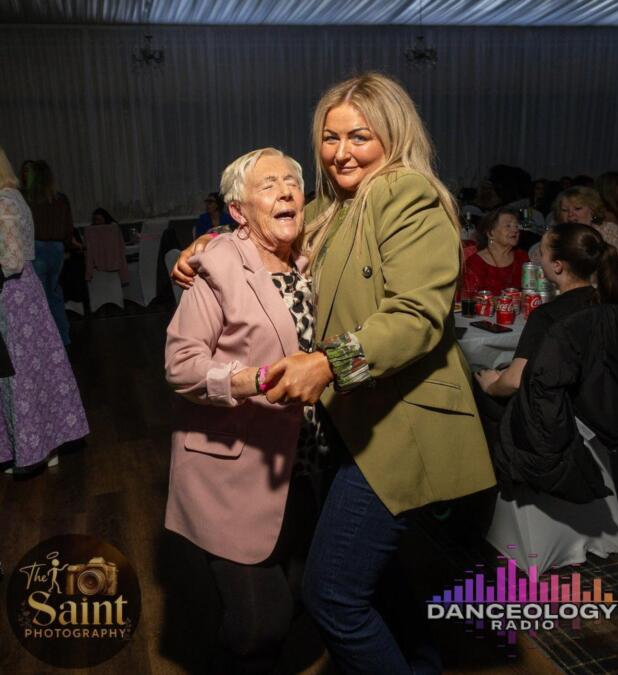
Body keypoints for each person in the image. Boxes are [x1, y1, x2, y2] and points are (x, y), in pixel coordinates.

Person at [172, 73, 497, 673]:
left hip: (401, 424)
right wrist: (208, 244)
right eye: (330, 138)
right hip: (356, 422)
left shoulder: (407, 194)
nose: (342, 152)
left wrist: (328, 363)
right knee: (383, 585)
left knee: (332, 596)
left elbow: (417, 316)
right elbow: (269, 224)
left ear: (392, 136)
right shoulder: (338, 206)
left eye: (359, 137)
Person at [165, 147, 323, 673]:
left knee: (304, 596)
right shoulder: (217, 265)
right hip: (235, 467)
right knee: (260, 624)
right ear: (238, 209)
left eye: (291, 182)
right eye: (267, 184)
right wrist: (253, 379)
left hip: (305, 461)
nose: (284, 191)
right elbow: (181, 365)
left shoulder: (310, 259)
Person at [475, 222, 618, 406]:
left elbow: (514, 381)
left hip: (567, 414)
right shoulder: (612, 301)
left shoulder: (547, 314)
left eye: (542, 254)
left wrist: (490, 386)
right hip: (612, 406)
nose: (539, 261)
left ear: (557, 266)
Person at [0, 147, 88, 470]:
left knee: (18, 372)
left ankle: (33, 448)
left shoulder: (5, 202)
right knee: (38, 366)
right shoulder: (17, 198)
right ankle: (46, 444)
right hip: (27, 287)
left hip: (12, 294)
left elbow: (10, 261)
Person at [23, 160, 73, 345]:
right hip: (57, 249)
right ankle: (63, 338)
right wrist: (66, 247)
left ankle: (45, 342)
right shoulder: (60, 199)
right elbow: (68, 227)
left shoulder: (27, 200)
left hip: (36, 249)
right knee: (54, 295)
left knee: (39, 298)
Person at [555, 186, 618, 284]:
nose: (570, 215)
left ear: (592, 210)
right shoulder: (556, 236)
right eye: (564, 210)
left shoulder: (610, 231)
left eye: (577, 208)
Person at [463, 208, 529, 296]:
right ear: (491, 233)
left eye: (516, 226)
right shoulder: (475, 263)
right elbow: (468, 298)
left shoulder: (522, 257)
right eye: (508, 226)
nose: (515, 230)